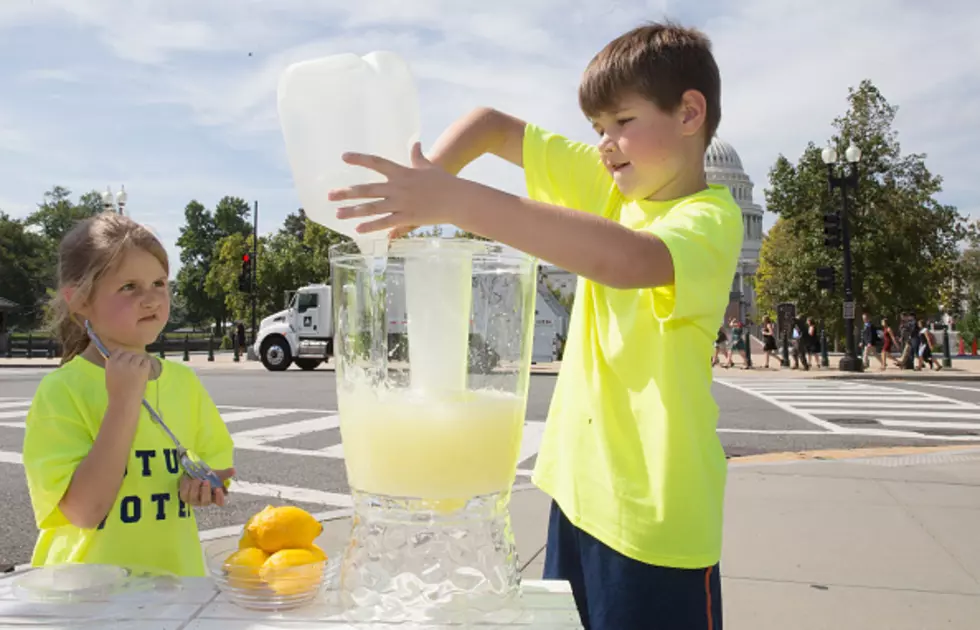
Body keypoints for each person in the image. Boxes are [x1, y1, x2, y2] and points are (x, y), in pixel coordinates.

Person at [327, 21, 740, 630]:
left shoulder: (709, 217)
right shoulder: (614, 186)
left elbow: (623, 259)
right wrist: (423, 189)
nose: (605, 144)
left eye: (622, 123)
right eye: (598, 129)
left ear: (689, 113)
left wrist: (450, 199)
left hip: (657, 521)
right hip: (576, 497)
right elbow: (490, 125)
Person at [22, 212, 236, 577]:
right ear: (79, 300)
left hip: (174, 584)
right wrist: (122, 402)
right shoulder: (62, 391)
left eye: (159, 283)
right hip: (86, 595)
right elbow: (85, 511)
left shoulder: (183, 382)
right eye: (129, 287)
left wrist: (204, 484)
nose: (151, 299)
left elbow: (216, 465)